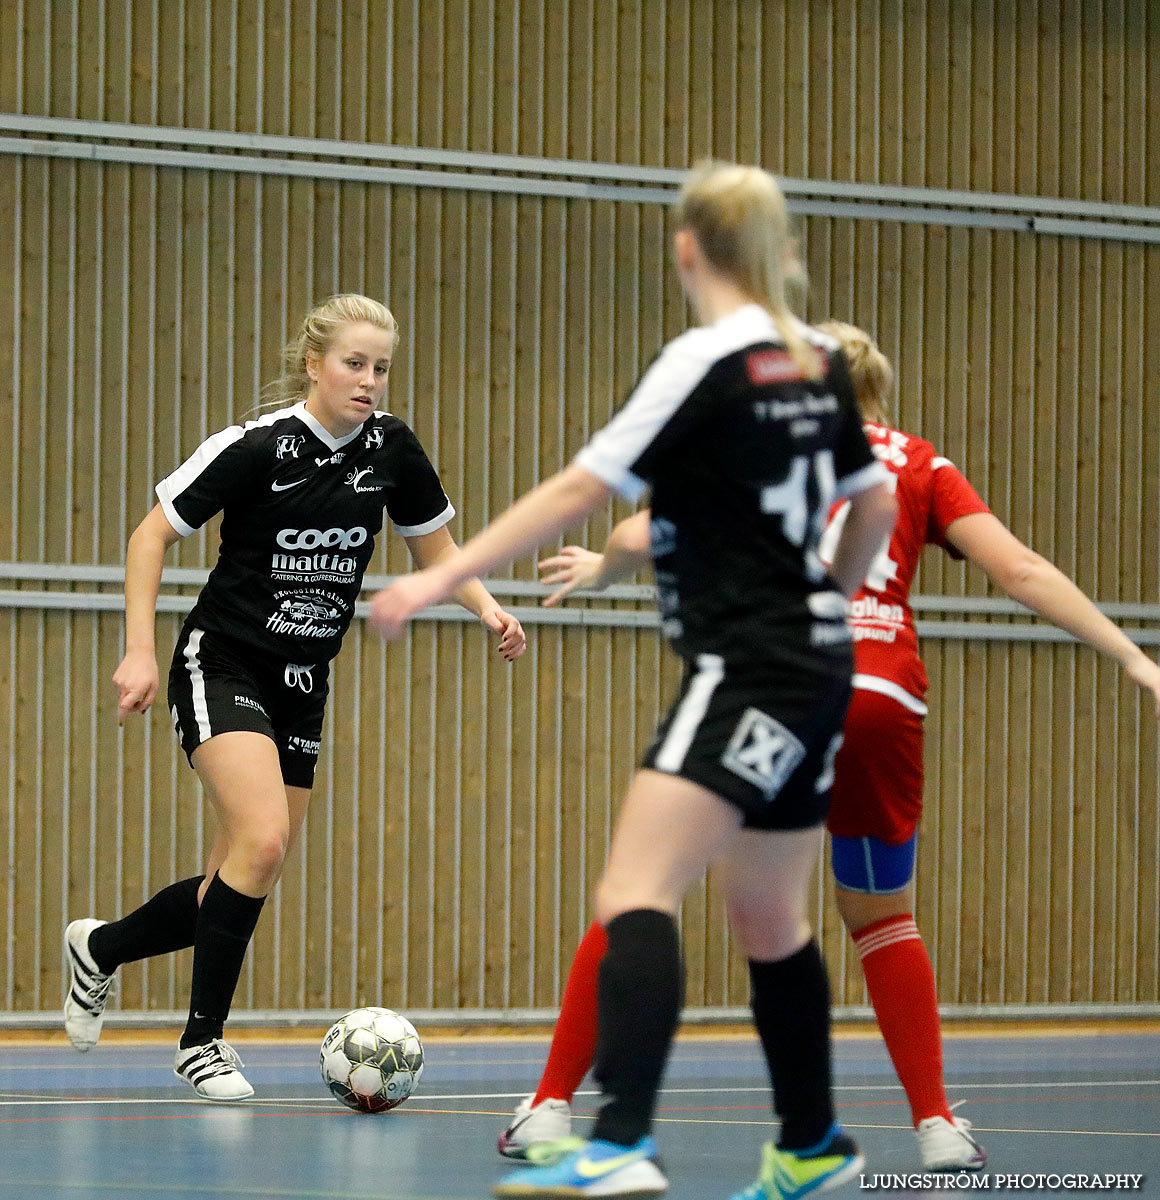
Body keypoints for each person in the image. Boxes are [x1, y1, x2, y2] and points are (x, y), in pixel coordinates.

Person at [496, 320, 1160, 1174]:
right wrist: (1136, 660)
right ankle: (936, 1126)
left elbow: (644, 534)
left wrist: (604, 565)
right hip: (885, 699)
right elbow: (1021, 569)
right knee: (883, 918)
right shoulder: (920, 462)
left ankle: (552, 1106)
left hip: (780, 686)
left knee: (647, 889)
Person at [371, 161, 898, 1200]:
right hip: (820, 667)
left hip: (748, 664)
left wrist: (444, 581)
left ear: (687, 248)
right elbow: (872, 508)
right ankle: (812, 1145)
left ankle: (620, 1144)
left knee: (634, 892)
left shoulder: (700, 359)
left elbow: (581, 487)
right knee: (770, 918)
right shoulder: (818, 364)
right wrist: (824, 599)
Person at [60, 293, 526, 1100]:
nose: (370, 380)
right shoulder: (257, 447)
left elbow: (436, 546)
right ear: (313, 364)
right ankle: (200, 1043)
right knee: (265, 840)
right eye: (354, 363)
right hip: (223, 664)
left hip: (304, 685)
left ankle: (99, 950)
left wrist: (487, 609)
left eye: (381, 367)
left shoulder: (392, 450)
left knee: (239, 873)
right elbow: (150, 536)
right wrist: (139, 650)